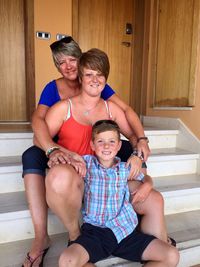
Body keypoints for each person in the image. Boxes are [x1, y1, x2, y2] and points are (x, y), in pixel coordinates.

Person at [20, 37, 161, 266]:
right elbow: (39, 122)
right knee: (33, 157)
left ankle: (154, 242)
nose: (68, 66)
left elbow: (126, 113)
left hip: (100, 152)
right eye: (61, 63)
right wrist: (54, 149)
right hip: (66, 149)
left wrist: (141, 146)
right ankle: (48, 236)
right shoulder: (56, 94)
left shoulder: (102, 93)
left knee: (129, 154)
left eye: (72, 60)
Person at [58, 120, 179, 267]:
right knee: (67, 261)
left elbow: (144, 177)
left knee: (171, 255)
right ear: (92, 145)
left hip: (124, 230)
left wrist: (148, 184)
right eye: (100, 141)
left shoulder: (124, 167)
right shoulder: (86, 164)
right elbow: (66, 168)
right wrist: (58, 156)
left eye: (111, 141)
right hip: (96, 233)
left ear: (119, 146)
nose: (106, 146)